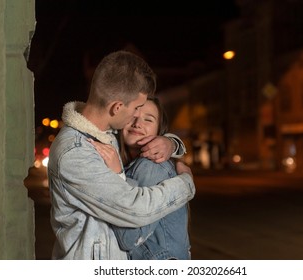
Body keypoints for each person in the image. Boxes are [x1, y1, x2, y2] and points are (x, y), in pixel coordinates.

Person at [47, 50, 195, 260]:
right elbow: (135, 210)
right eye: (136, 108)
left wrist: (171, 143)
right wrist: (186, 183)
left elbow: (144, 134)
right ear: (117, 107)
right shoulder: (77, 153)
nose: (136, 117)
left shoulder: (105, 134)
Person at [90, 97, 191, 260]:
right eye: (132, 117)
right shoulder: (127, 162)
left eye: (148, 119)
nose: (138, 124)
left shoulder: (152, 165)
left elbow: (128, 238)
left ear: (159, 129)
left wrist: (117, 177)